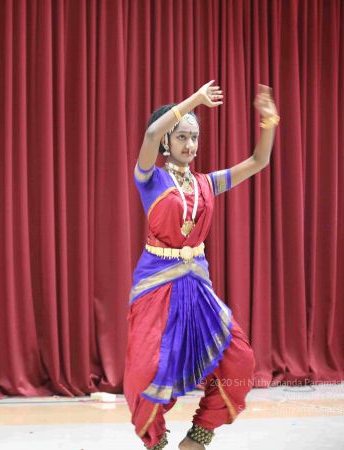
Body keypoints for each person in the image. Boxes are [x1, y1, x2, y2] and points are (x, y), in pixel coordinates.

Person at [125, 80, 279, 449]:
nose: (189, 145)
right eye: (181, 136)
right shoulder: (150, 178)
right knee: (146, 371)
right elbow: (150, 133)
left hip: (196, 287)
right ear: (167, 142)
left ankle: (198, 437)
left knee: (240, 360)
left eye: (194, 137)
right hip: (156, 286)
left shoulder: (208, 183)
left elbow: (259, 161)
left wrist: (269, 123)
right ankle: (155, 441)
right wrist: (195, 100)